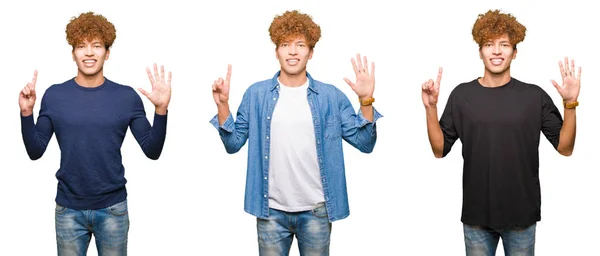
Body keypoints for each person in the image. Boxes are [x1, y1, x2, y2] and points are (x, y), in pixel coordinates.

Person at [210, 10, 382, 256]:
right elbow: (233, 143)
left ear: (310, 52)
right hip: (270, 212)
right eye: (285, 44)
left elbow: (365, 143)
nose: (292, 51)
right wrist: (223, 105)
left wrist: (366, 101)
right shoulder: (256, 95)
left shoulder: (331, 97)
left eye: (300, 45)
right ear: (276, 51)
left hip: (316, 212)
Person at [421, 9, 580, 256]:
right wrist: (431, 108)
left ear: (514, 52)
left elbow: (566, 148)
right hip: (476, 217)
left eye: (504, 44)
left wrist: (570, 104)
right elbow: (439, 149)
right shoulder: (462, 95)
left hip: (521, 217)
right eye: (489, 44)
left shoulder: (534, 96)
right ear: (480, 51)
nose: (496, 51)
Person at [18, 11, 172, 255]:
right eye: (81, 46)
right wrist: (26, 114)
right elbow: (35, 151)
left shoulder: (126, 97)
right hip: (68, 210)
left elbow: (152, 150)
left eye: (97, 45)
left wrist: (161, 110)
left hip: (112, 209)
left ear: (107, 52)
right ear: (73, 53)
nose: (89, 52)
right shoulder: (54, 96)